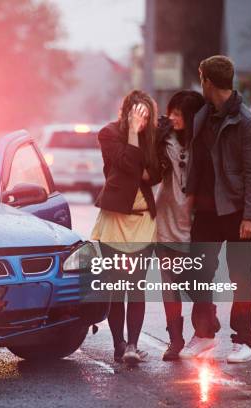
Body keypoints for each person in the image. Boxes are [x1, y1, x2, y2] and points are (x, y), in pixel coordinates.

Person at [180, 55, 251, 363]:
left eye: (201, 78)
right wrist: (189, 198)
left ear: (209, 82)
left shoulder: (244, 121)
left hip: (236, 210)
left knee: (242, 277)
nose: (200, 83)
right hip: (205, 210)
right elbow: (198, 162)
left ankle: (244, 340)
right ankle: (203, 334)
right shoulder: (204, 115)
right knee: (197, 273)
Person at [91, 90, 161, 364]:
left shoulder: (153, 138)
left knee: (136, 286)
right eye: (137, 114)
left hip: (143, 220)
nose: (142, 120)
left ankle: (133, 345)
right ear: (126, 112)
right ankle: (119, 344)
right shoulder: (108, 134)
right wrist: (133, 134)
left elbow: (155, 173)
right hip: (114, 219)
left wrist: (140, 163)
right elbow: (129, 164)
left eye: (146, 115)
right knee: (116, 286)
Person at [154, 90, 206, 361]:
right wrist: (157, 135)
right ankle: (175, 339)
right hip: (166, 219)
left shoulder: (203, 141)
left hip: (197, 222)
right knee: (169, 283)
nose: (173, 118)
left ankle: (206, 320)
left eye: (179, 114)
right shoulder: (164, 139)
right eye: (171, 112)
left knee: (197, 280)